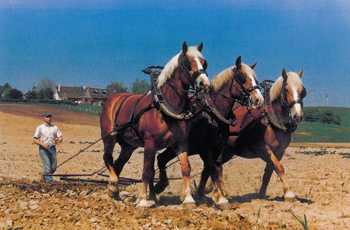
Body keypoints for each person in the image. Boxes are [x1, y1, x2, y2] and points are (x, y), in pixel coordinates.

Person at [33, 113, 63, 182]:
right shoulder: (40, 128)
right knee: (48, 167)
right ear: (44, 119)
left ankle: (44, 174)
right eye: (47, 117)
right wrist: (42, 144)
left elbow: (60, 137)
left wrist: (59, 140)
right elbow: (34, 139)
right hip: (43, 149)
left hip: (52, 147)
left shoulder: (54, 127)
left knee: (53, 167)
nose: (49, 118)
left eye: (50, 117)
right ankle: (50, 182)